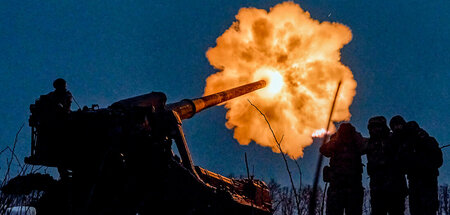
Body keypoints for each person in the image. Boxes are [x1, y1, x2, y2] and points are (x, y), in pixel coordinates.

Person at [320, 123, 365, 215]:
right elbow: (324, 150)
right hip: (339, 186)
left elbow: (324, 150)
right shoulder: (337, 142)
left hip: (350, 186)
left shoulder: (355, 141)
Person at [365, 116, 407, 215]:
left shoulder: (394, 138)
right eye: (372, 127)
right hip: (377, 189)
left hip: (395, 187)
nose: (375, 129)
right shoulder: (369, 143)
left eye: (378, 126)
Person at [404, 121, 443, 215]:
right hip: (415, 183)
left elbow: (438, 161)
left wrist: (422, 165)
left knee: (428, 209)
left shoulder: (429, 141)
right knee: (417, 209)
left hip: (428, 182)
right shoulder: (408, 145)